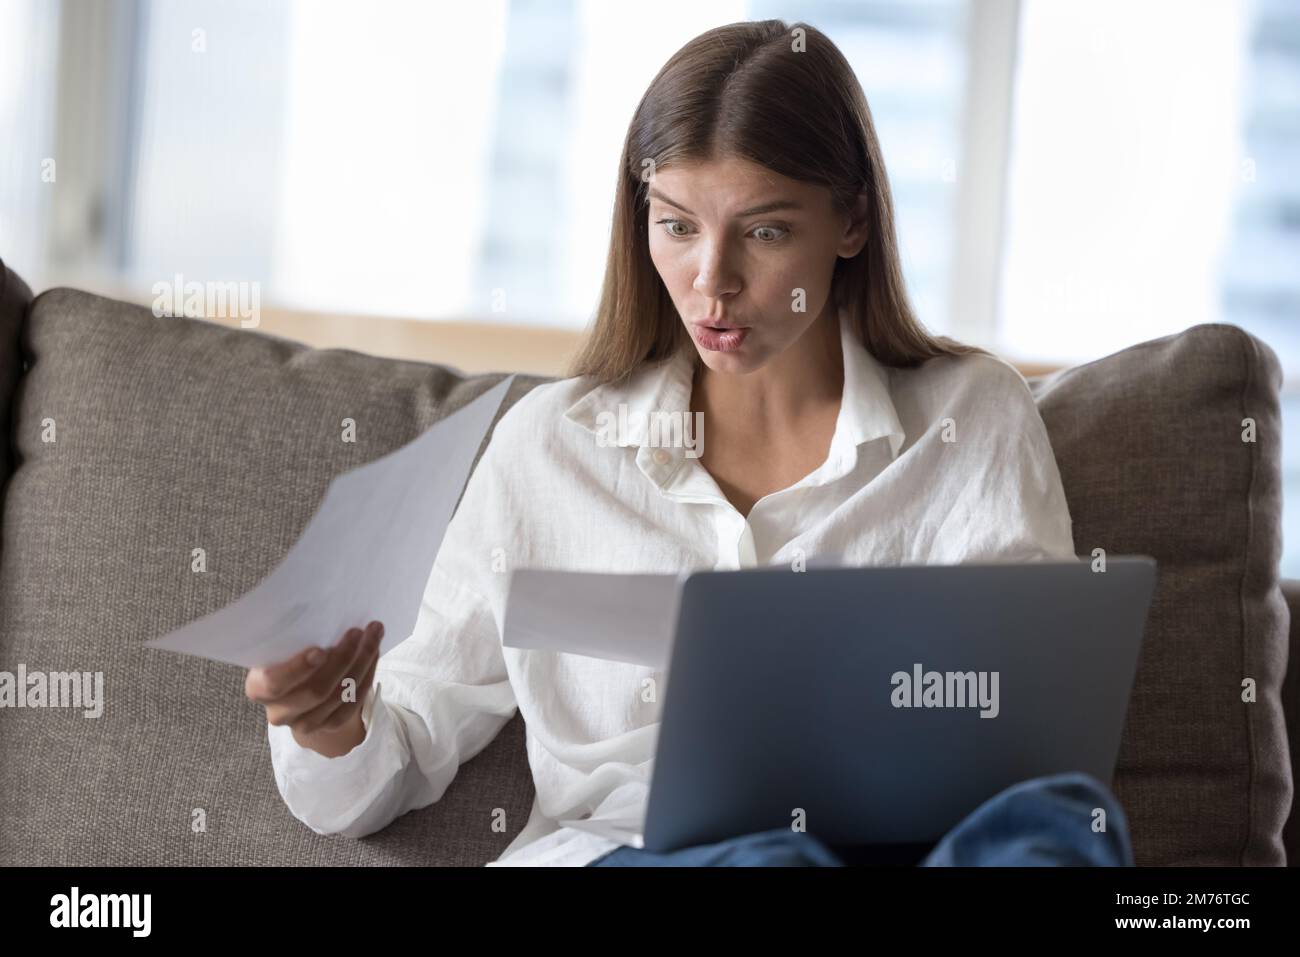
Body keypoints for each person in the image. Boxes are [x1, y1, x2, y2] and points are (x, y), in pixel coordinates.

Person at [244, 19, 1134, 867]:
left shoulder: (969, 417)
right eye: (676, 225)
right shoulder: (551, 450)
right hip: (632, 851)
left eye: (766, 230)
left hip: (897, 846)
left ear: (852, 224)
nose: (714, 282)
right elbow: (389, 760)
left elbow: (1023, 726)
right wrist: (332, 723)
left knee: (1054, 823)